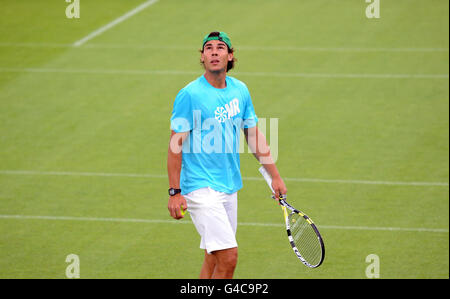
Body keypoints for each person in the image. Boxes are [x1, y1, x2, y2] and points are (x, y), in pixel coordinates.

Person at [167, 31, 287, 279]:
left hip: (229, 186)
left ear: (230, 56)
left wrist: (274, 176)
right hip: (200, 187)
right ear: (202, 56)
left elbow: (253, 135)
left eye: (220, 47)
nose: (213, 51)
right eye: (208, 48)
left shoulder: (240, 90)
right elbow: (175, 145)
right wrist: (175, 191)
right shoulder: (189, 95)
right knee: (229, 257)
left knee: (213, 258)